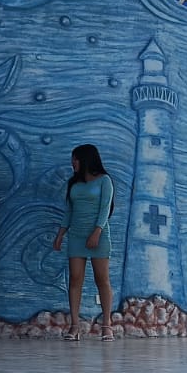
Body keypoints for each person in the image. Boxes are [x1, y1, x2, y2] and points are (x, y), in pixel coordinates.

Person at [52, 144, 116, 341]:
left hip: (98, 235)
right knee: (75, 278)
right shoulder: (74, 183)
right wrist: (60, 234)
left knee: (101, 279)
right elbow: (69, 211)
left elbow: (105, 209)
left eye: (75, 159)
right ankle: (74, 325)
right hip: (76, 236)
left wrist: (96, 232)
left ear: (86, 159)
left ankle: (107, 325)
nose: (73, 163)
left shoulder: (104, 180)